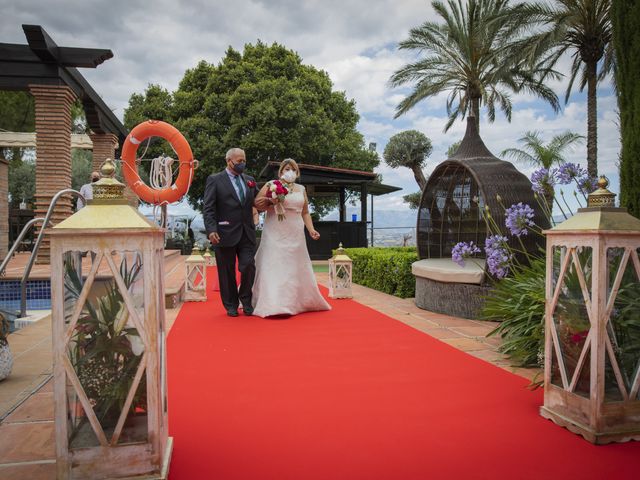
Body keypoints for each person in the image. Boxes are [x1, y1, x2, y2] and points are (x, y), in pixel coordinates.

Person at [251, 158, 331, 317]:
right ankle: (274, 303)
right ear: (281, 171)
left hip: (295, 231)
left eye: (294, 169)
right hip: (275, 230)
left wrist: (311, 229)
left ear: (297, 172)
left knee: (295, 265)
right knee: (275, 263)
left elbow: (305, 212)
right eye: (287, 169)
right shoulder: (271, 184)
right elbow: (257, 203)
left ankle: (297, 302)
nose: (290, 172)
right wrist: (270, 200)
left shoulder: (301, 189)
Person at [203, 148, 269, 317]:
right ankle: (231, 304)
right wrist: (211, 230)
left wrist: (273, 198)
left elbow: (257, 202)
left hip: (247, 232)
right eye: (239, 161)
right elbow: (209, 208)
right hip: (223, 233)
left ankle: (246, 300)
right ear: (229, 161)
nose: (242, 164)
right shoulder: (215, 180)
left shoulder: (250, 180)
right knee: (226, 271)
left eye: (244, 160)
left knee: (248, 266)